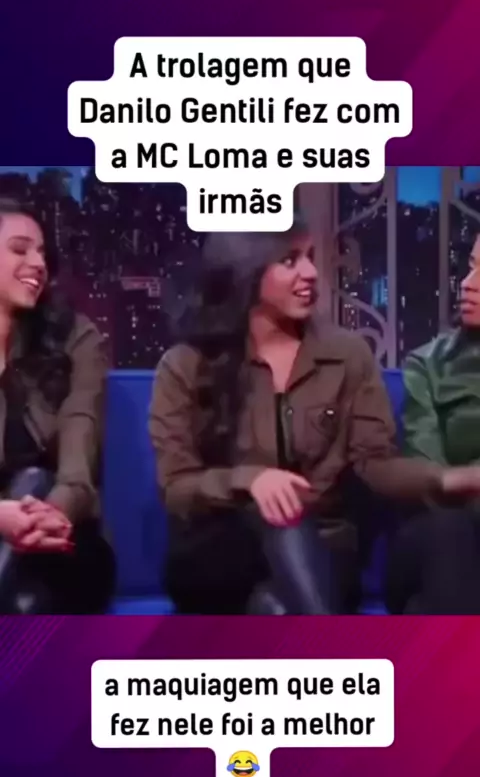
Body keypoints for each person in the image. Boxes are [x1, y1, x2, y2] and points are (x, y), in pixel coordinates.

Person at [149, 220, 480, 616]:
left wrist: (447, 478)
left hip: (323, 549)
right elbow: (177, 487)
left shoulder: (346, 355)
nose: (310, 272)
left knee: (275, 601)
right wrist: (250, 480)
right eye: (290, 261)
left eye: (309, 258)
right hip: (216, 553)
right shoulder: (186, 365)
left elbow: (375, 463)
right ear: (245, 270)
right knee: (280, 528)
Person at [0, 197, 115, 614]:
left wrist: (49, 513)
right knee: (25, 604)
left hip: (65, 536)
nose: (38, 263)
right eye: (20, 249)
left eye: (42, 253)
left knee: (34, 479)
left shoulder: (76, 339)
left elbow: (78, 468)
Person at [387, 234, 480, 614]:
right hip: (436, 538)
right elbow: (430, 477)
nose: (468, 283)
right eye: (472, 266)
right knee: (449, 529)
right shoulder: (427, 365)